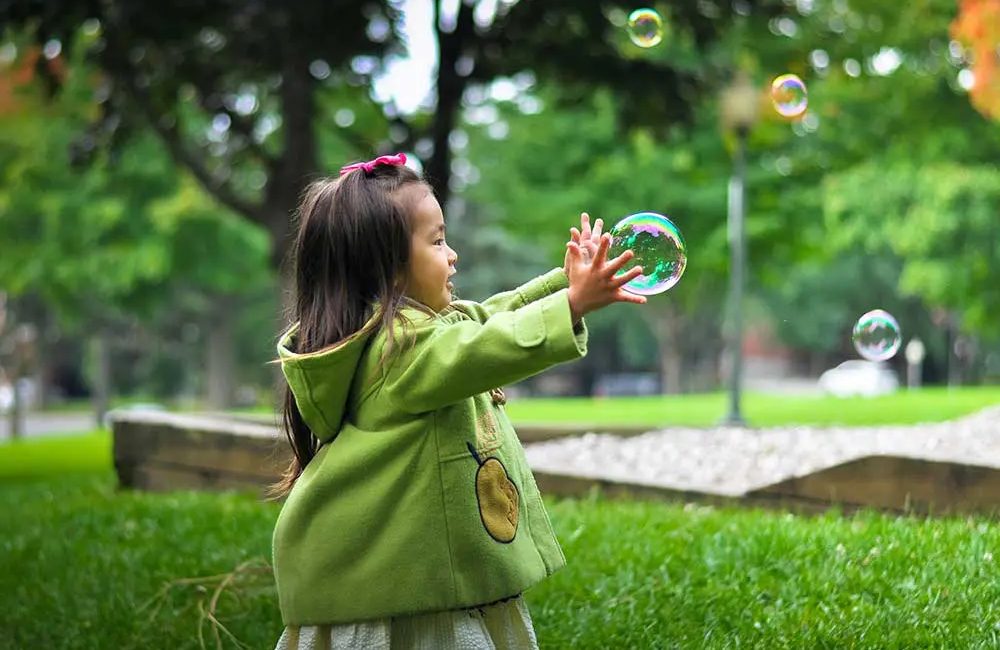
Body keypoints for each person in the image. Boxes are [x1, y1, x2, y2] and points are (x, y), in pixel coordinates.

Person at [269, 153, 645, 649]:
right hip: (407, 593)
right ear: (391, 268)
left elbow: (488, 318)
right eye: (438, 240)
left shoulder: (411, 335)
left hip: (416, 575)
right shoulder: (400, 350)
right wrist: (572, 304)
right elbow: (489, 345)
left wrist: (562, 283)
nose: (453, 256)